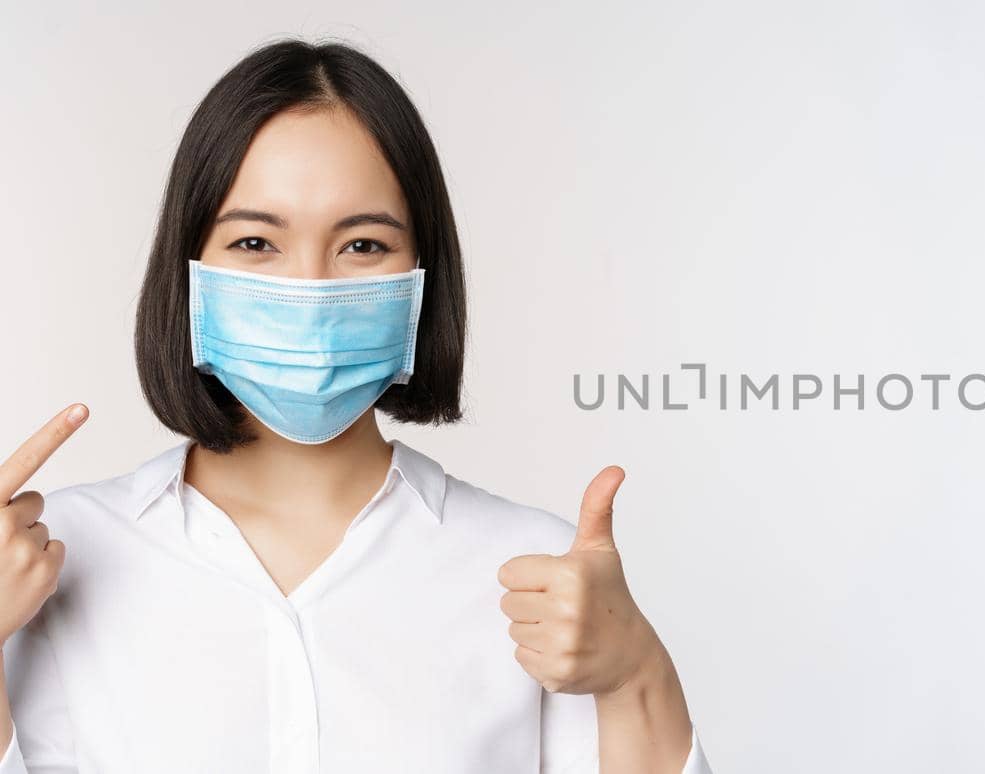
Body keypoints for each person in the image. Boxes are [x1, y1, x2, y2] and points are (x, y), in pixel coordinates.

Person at [0, 38, 712, 773]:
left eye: (364, 246)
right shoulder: (43, 563)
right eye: (255, 241)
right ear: (191, 273)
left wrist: (635, 674)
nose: (310, 289)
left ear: (421, 275)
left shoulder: (536, 578)